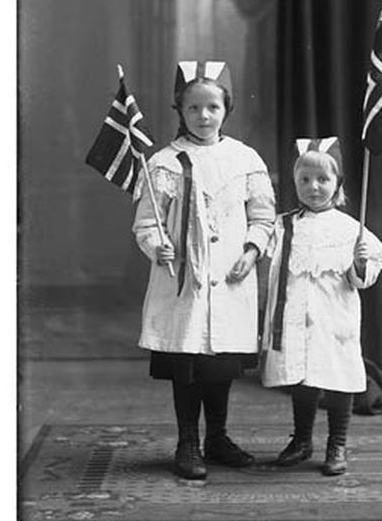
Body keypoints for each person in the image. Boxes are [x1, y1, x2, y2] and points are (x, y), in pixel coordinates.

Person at [132, 61, 276, 480]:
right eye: (193, 108)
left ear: (226, 108)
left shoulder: (245, 159)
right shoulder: (164, 162)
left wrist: (252, 251)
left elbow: (263, 217)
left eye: (212, 107)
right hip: (184, 281)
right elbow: (147, 221)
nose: (203, 116)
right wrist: (157, 245)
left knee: (220, 366)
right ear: (180, 109)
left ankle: (217, 437)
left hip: (231, 278)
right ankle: (187, 441)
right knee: (188, 364)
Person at [260, 137, 382, 475]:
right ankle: (302, 440)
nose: (313, 187)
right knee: (302, 379)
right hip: (295, 316)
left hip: (334, 317)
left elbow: (363, 279)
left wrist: (360, 264)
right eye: (304, 179)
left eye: (322, 180)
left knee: (337, 378)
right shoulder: (283, 225)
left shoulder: (350, 229)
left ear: (338, 184)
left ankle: (338, 443)